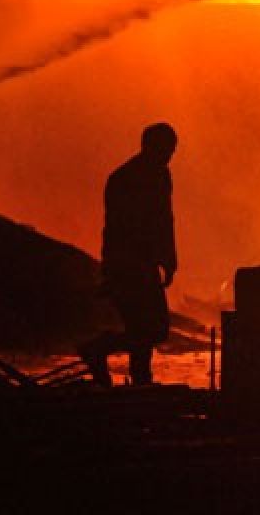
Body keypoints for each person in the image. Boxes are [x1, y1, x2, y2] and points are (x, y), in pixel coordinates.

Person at [80, 123, 178, 386]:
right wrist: (115, 270)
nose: (168, 157)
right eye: (165, 150)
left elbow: (164, 220)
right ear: (149, 146)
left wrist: (168, 261)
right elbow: (118, 227)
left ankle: (138, 378)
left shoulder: (156, 175)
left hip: (139, 264)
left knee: (146, 329)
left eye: (171, 152)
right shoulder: (127, 178)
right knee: (151, 329)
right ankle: (100, 350)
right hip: (129, 265)